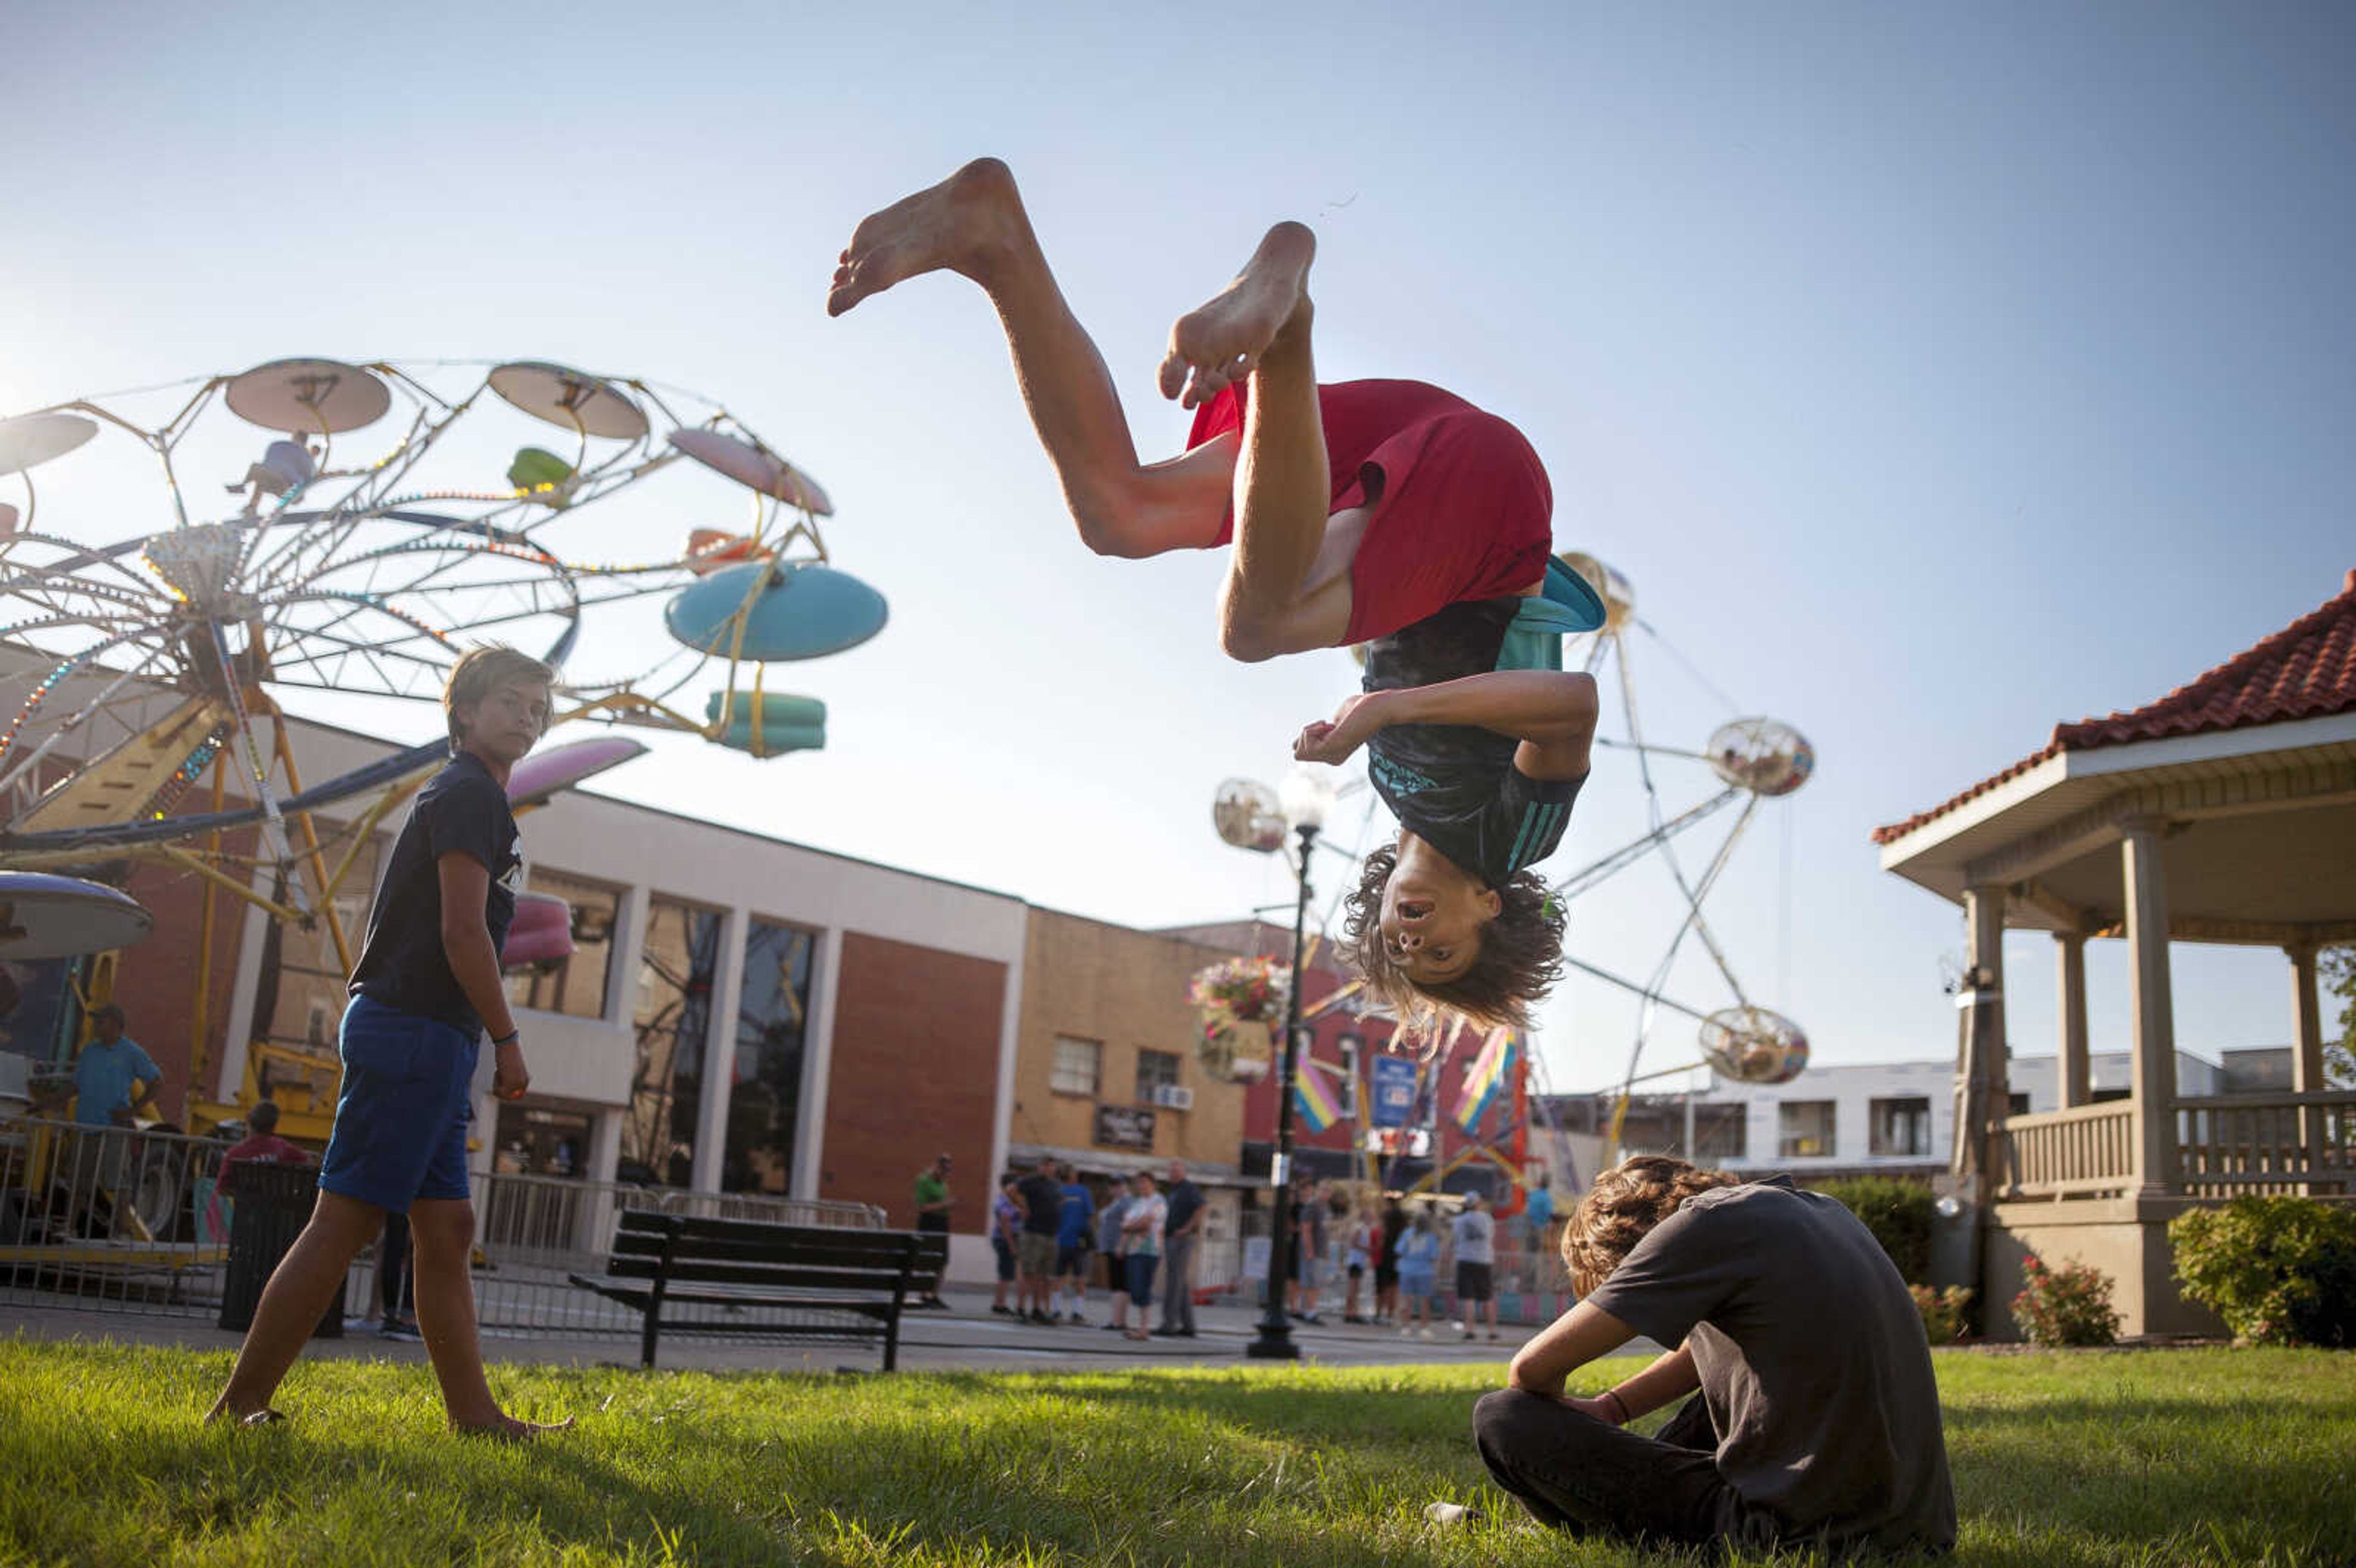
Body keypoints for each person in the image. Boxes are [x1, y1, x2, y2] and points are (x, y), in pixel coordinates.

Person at [827, 159, 1596, 1039]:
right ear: (1490, 908)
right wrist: (1385, 709)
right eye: (1443, 953)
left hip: (1405, 462)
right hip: (1489, 512)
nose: (1411, 938)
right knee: (1255, 626)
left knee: (1121, 512)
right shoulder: (1512, 840)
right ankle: (1286, 330)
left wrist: (1378, 705)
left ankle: (993, 239)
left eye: (1399, 945)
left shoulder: (1402, 797)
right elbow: (1571, 707)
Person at [205, 645, 568, 1440]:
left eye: (538, 708)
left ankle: (476, 1418)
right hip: (415, 1031)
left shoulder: (475, 800)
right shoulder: (469, 793)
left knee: (447, 1232)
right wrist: (507, 1039)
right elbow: (462, 932)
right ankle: (237, 1408)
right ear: (464, 713)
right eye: (510, 701)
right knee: (345, 1222)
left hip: (429, 1036)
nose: (528, 718)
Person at [1470, 1156, 1957, 1556]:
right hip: (1914, 1532)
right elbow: (1707, 1353)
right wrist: (1610, 1410)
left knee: (1504, 1416)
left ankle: (1589, 1526)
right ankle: (1604, 1512)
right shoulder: (1814, 1209)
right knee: (1723, 1382)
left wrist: (1548, 1429)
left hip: (1792, 1536)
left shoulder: (1697, 1228)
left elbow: (1532, 1370)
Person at [67, 1004, 163, 1129]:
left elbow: (157, 1082)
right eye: (96, 1021)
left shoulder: (132, 1052)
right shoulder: (89, 1051)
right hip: (85, 1127)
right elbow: (75, 1086)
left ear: (115, 1024)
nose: (95, 1025)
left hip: (113, 1129)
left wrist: (133, 1111)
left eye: (101, 1022)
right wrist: (45, 1103)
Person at [1155, 1160, 1203, 1337]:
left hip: (1181, 1239)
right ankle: (1189, 1326)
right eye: (1171, 1171)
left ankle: (1169, 1324)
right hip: (1171, 1238)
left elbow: (1201, 1207)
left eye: (1176, 1170)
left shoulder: (1188, 1188)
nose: (1173, 1174)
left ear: (1183, 1172)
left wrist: (1187, 1228)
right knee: (1180, 1283)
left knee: (1174, 1282)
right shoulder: (1174, 1191)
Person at [1117, 1170, 1167, 1343]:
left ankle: (1144, 1329)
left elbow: (1147, 1221)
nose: (1142, 1186)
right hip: (1133, 1249)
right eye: (1139, 1183)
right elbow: (1125, 1224)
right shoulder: (1137, 1203)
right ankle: (1141, 1328)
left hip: (1150, 1250)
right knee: (1134, 1287)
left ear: (1153, 1184)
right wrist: (1123, 1244)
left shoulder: (1159, 1201)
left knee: (1142, 1287)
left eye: (1145, 1182)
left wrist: (1132, 1226)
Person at [1014, 1161, 1064, 1324]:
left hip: (1050, 1234)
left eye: (1051, 1165)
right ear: (1039, 1167)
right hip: (1034, 1233)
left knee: (1044, 1275)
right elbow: (1011, 1191)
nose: (1049, 1168)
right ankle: (1021, 1310)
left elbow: (1060, 1201)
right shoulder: (1031, 1181)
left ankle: (1037, 1310)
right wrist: (1023, 1207)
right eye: (1045, 1165)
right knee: (1029, 1272)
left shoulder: (1055, 1185)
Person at [1452, 1191, 1499, 1341]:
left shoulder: (1459, 1221)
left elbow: (1457, 1238)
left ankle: (1470, 1330)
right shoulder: (1487, 1219)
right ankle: (1492, 1331)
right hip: (1484, 1260)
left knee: (1468, 1298)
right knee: (1487, 1298)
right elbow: (1491, 1237)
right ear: (1479, 1204)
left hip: (1465, 1259)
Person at [1053, 1161, 1095, 1324]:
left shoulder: (1059, 1192)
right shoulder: (1083, 1192)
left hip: (1062, 1240)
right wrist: (1089, 1235)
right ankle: (1076, 1313)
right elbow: (1090, 1215)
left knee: (1059, 1277)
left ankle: (1056, 1310)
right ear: (1072, 1175)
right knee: (1080, 1277)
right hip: (1079, 1241)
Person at [912, 1153, 953, 1308]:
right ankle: (923, 1295)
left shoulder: (943, 1184)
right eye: (943, 1170)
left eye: (948, 1171)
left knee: (942, 1260)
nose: (946, 1174)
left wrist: (947, 1206)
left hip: (942, 1223)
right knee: (926, 1259)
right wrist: (944, 1205)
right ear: (936, 1166)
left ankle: (935, 1295)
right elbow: (921, 1207)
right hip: (929, 1223)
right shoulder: (924, 1181)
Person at [1096, 1177, 1135, 1332]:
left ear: (1125, 1186)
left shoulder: (1127, 1202)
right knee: (1117, 1284)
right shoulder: (1117, 1202)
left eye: (1118, 1185)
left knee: (1120, 1284)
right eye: (1112, 1186)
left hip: (1119, 1247)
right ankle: (1117, 1319)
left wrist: (1121, 1245)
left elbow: (1127, 1224)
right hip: (1112, 1247)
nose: (1114, 1189)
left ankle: (1118, 1321)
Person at [1395, 1210, 1442, 1338]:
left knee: (1407, 1300)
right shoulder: (1431, 1237)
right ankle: (1424, 1327)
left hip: (1406, 1269)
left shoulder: (1407, 1234)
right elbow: (1434, 1256)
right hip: (1424, 1271)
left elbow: (1399, 1250)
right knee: (1425, 1301)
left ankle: (1406, 1326)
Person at [1287, 1175, 1326, 1324]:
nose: (1308, 1192)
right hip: (1298, 1244)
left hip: (1307, 1246)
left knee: (1303, 1279)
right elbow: (1291, 1225)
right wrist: (1301, 1229)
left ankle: (1303, 1308)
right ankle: (1294, 1307)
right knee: (1295, 1278)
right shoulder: (1298, 1207)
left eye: (1310, 1189)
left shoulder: (1313, 1205)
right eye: (1305, 1189)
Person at [989, 1172, 1023, 1315]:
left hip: (1009, 1238)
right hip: (1005, 1239)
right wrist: (1012, 1246)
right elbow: (1005, 1224)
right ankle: (999, 1304)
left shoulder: (1010, 1201)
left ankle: (1000, 1302)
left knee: (1007, 1272)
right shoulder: (1004, 1202)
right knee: (1006, 1273)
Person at [1376, 1196, 1409, 1326]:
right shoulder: (1403, 1228)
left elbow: (1381, 1240)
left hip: (1386, 1255)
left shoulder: (1386, 1223)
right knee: (1394, 1287)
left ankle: (1379, 1314)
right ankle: (1390, 1314)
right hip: (1398, 1257)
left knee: (1382, 1287)